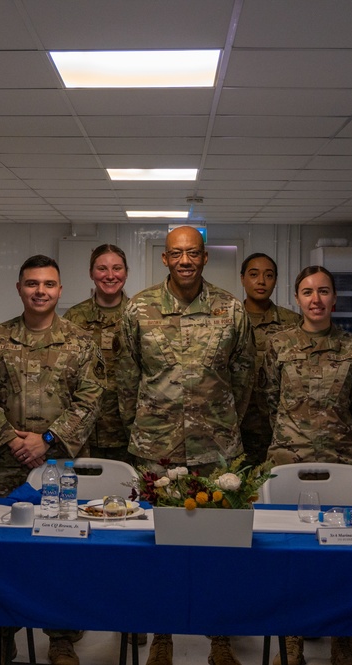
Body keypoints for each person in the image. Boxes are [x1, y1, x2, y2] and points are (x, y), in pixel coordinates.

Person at [116, 226, 255, 665]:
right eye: (177, 254)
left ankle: (220, 638)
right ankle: (162, 635)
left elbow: (245, 376)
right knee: (158, 548)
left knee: (220, 549)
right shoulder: (138, 308)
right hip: (156, 448)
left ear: (205, 257)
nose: (185, 261)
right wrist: (142, 426)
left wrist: (221, 421)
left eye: (193, 253)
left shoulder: (231, 309)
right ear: (164, 259)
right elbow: (125, 378)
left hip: (216, 450)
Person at [0, 254, 104, 665]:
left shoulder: (81, 342)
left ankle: (61, 636)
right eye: (32, 283)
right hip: (8, 464)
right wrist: (13, 441)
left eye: (48, 284)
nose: (40, 291)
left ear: (60, 290)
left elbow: (90, 398)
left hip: (60, 465)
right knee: (3, 551)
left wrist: (47, 440)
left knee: (58, 551)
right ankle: (2, 635)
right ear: (19, 288)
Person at [262, 265, 352, 665]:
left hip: (343, 461)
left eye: (324, 291)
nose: (316, 299)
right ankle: (289, 643)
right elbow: (268, 398)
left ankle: (343, 642)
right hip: (288, 459)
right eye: (307, 292)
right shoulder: (278, 344)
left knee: (344, 559)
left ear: (334, 298)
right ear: (296, 299)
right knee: (287, 556)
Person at [62, 244, 131, 462]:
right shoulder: (73, 318)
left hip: (128, 431)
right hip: (83, 432)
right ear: (91, 273)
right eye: (102, 269)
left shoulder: (139, 315)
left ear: (126, 273)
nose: (110, 275)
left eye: (117, 268)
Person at [238, 253, 302, 468]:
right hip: (238, 425)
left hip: (279, 426)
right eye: (254, 274)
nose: (261, 281)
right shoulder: (229, 319)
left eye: (269, 275)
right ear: (242, 278)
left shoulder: (292, 322)